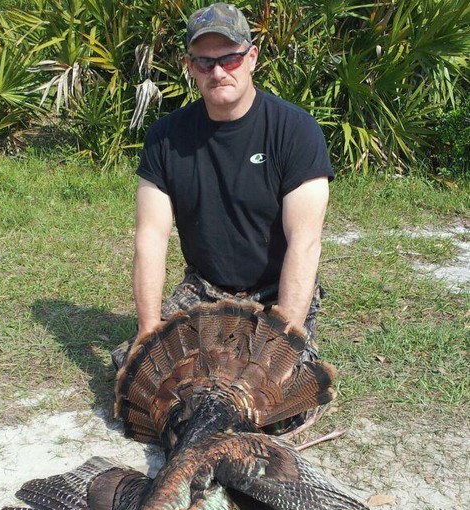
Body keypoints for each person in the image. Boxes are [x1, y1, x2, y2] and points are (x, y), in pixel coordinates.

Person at [112, 3, 334, 435]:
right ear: (190, 67)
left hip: (273, 292)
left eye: (229, 58)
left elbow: (305, 242)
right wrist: (147, 331)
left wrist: (280, 340)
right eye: (205, 62)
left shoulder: (295, 131)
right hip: (205, 288)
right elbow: (150, 237)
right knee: (136, 376)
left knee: (277, 406)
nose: (219, 72)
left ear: (251, 57)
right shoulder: (166, 137)